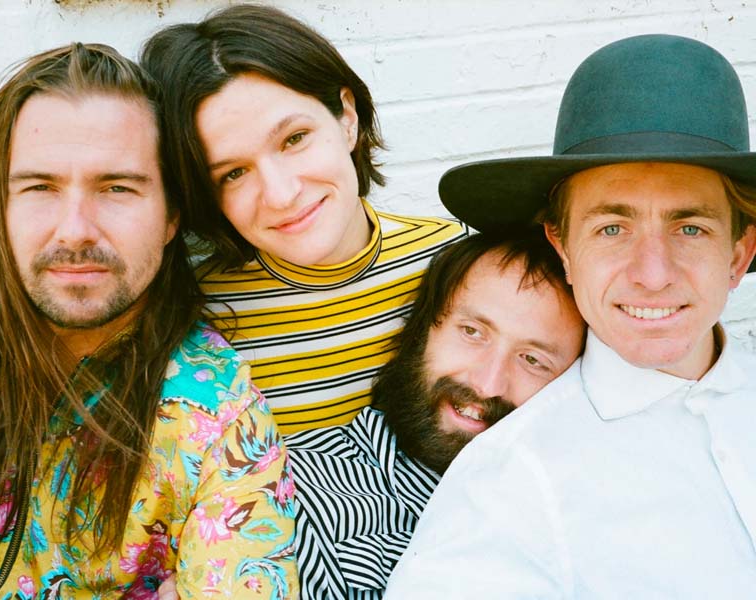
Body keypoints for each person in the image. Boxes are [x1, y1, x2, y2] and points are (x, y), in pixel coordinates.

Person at [385, 34, 756, 598]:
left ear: (738, 255)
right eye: (612, 228)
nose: (652, 274)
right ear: (562, 249)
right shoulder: (505, 486)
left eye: (690, 228)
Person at [0, 43, 296, 597]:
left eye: (117, 187)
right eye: (40, 187)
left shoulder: (218, 422)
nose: (74, 231)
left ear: (171, 217)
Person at [140, 4, 467, 435]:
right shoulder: (198, 317)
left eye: (294, 139)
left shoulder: (455, 263)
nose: (281, 194)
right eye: (233, 173)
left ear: (346, 118)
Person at [286, 230, 585, 599]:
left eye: (533, 360)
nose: (489, 383)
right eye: (473, 332)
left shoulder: (577, 515)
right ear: (422, 332)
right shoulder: (292, 490)